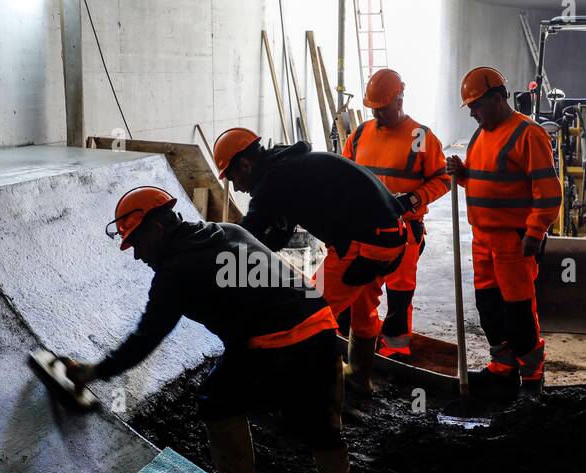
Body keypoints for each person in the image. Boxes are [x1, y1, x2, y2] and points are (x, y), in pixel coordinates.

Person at [65, 186, 352, 473]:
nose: (137, 256)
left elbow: (145, 339)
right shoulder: (227, 231)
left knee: (216, 400)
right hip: (322, 327)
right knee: (324, 429)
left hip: (273, 343)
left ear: (157, 228)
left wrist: (95, 371)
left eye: (136, 244)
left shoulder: (174, 272)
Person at [211, 127, 408, 394]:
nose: (236, 187)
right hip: (391, 235)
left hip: (365, 244)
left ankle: (320, 395)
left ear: (244, 165)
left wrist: (218, 268)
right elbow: (281, 231)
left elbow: (247, 234)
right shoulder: (287, 166)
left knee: (309, 313)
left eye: (232, 178)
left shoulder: (273, 181)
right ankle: (359, 379)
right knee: (363, 308)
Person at [446, 66, 562, 397]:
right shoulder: (480, 135)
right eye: (469, 107)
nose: (473, 113)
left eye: (476, 106)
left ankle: (531, 375)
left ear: (498, 98)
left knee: (519, 314)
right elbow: (487, 181)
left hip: (514, 241)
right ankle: (504, 366)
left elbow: (548, 192)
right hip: (482, 239)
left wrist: (534, 232)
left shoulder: (528, 134)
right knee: (489, 309)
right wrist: (463, 173)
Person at [342, 68, 450, 357]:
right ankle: (364, 343)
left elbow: (443, 179)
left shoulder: (419, 136)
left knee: (400, 292)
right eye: (373, 109)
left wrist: (413, 199)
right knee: (363, 290)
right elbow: (345, 174)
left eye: (383, 108)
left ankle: (396, 347)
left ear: (400, 99)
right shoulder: (361, 133)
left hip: (404, 231)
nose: (377, 115)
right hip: (366, 231)